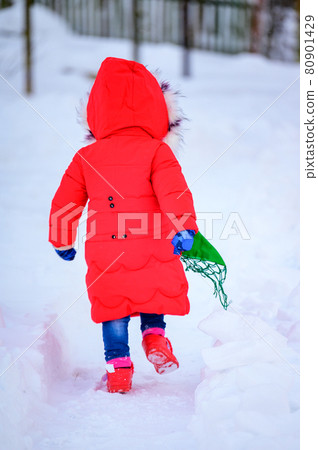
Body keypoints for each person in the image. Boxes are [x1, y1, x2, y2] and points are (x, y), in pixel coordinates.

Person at [49, 57, 198, 393]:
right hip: (153, 241)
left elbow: (65, 203)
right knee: (151, 291)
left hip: (107, 249)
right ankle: (155, 338)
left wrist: (62, 240)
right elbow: (173, 192)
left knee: (113, 305)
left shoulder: (86, 158)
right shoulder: (158, 152)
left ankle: (119, 369)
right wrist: (183, 227)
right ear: (156, 109)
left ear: (97, 110)